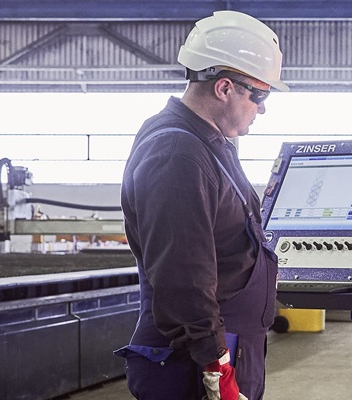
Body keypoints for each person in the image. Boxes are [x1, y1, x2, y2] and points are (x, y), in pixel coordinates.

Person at [114, 10, 288, 400]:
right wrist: (217, 367)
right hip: (192, 367)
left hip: (223, 350)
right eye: (259, 95)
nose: (263, 108)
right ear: (224, 88)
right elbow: (183, 274)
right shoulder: (177, 153)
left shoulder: (207, 145)